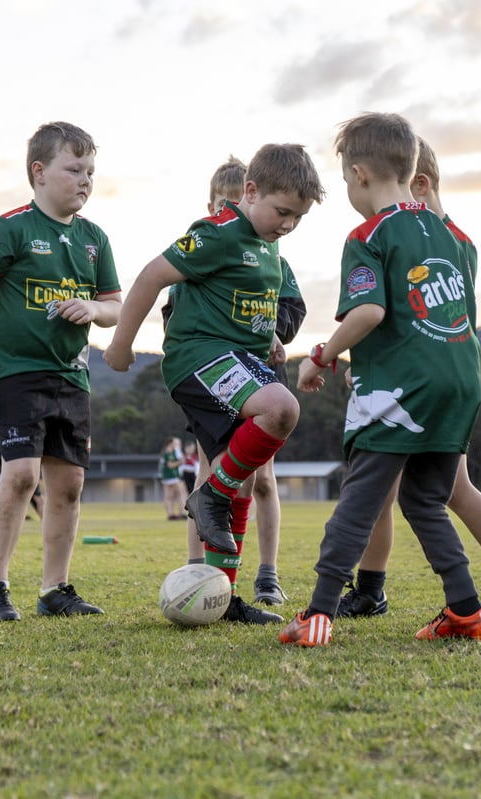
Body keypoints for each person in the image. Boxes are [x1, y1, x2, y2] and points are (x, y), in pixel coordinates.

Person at [280, 112, 481, 647]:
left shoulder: (368, 235)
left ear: (357, 175)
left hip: (400, 390)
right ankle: (468, 610)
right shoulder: (457, 237)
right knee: (425, 500)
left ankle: (317, 614)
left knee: (359, 500)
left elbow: (370, 312)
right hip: (461, 384)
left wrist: (321, 356)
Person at [104, 143, 325, 625]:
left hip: (241, 360)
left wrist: (268, 336)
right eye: (282, 211)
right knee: (282, 410)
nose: (287, 224)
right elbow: (150, 277)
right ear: (250, 191)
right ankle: (209, 495)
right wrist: (122, 344)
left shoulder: (270, 247)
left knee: (241, 475)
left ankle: (222, 596)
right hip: (198, 358)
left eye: (298, 218)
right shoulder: (218, 232)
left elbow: (252, 306)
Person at [336, 136, 481, 622]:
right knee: (386, 489)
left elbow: (422, 317)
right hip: (425, 378)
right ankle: (371, 588)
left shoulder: (443, 241)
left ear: (419, 185)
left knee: (451, 487)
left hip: (431, 384)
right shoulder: (447, 240)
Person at [0, 121, 122, 621]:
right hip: (17, 373)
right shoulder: (12, 227)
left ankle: (55, 590)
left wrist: (92, 309)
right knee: (22, 475)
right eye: (74, 169)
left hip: (73, 378)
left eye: (91, 171)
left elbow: (116, 306)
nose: (85, 179)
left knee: (68, 485)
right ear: (39, 172)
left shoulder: (95, 239)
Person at [170, 156, 308, 607]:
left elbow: (290, 312)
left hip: (263, 375)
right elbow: (178, 312)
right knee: (212, 474)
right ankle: (202, 573)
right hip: (217, 372)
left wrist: (270, 332)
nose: (228, 215)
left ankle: (265, 574)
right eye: (220, 206)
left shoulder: (274, 256)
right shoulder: (206, 245)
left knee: (258, 479)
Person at [158, 437, 188, 520]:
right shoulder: (169, 452)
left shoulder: (172, 452)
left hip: (168, 477)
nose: (178, 445)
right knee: (182, 493)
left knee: (170, 496)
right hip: (171, 476)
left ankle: (171, 514)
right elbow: (170, 465)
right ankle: (181, 513)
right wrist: (179, 462)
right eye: (176, 443)